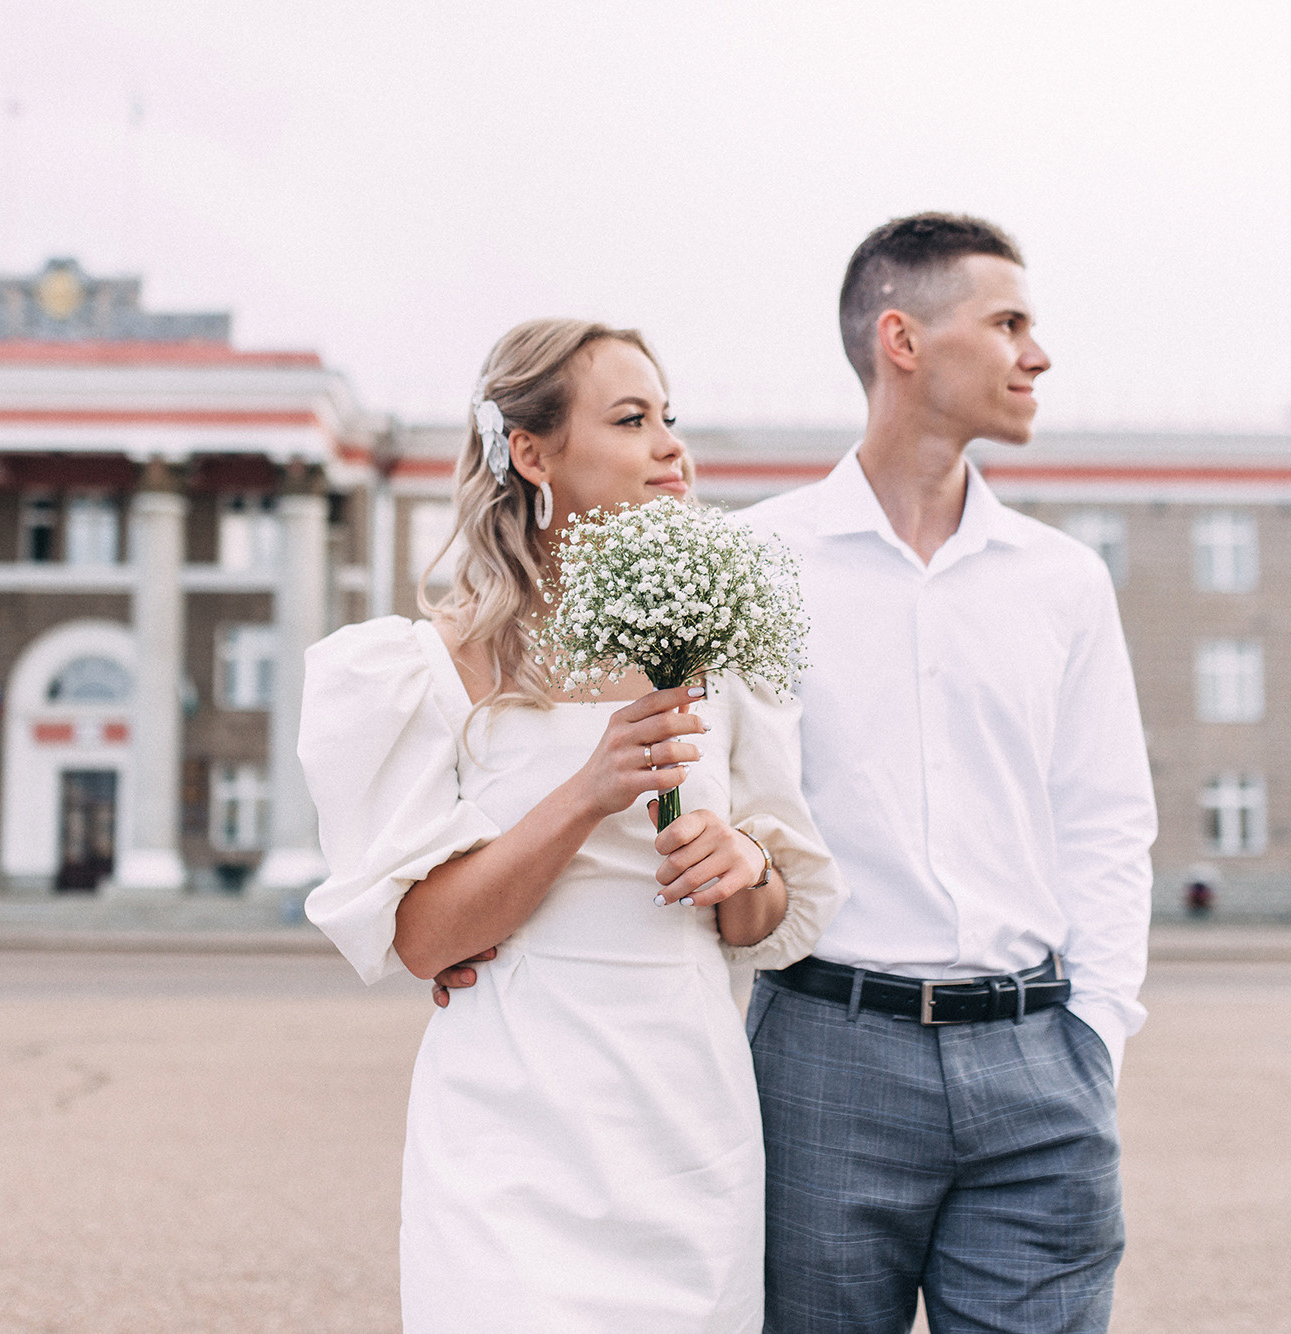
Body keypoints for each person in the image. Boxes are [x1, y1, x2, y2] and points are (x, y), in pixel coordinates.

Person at [444, 216, 1157, 1332]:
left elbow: (1107, 818)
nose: (1037, 353)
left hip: (1037, 1062)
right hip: (824, 1056)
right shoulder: (741, 561)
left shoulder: (1063, 581)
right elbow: (683, 788)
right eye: (1007, 322)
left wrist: (1093, 1035)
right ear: (900, 339)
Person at [302, 319, 844, 1332]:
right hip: (510, 1116)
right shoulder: (430, 665)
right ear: (531, 451)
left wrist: (741, 867)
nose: (671, 446)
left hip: (682, 1110)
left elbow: (768, 919)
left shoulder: (716, 658)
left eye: (668, 418)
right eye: (632, 419)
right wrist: (587, 790)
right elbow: (420, 936)